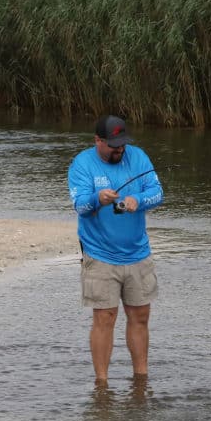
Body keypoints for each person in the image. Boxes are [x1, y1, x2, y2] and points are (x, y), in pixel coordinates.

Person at [68, 115, 164, 384]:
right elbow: (80, 207)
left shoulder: (138, 157)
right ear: (98, 141)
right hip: (99, 255)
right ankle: (102, 385)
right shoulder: (82, 164)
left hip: (138, 253)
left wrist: (138, 200)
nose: (119, 150)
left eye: (122, 144)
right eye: (113, 145)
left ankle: (141, 380)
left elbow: (158, 192)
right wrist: (98, 199)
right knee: (105, 317)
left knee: (140, 316)